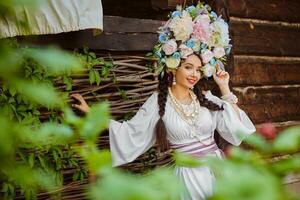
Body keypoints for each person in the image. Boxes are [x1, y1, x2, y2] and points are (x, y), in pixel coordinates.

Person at [71, 3, 256, 200]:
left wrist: (225, 87)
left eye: (198, 69)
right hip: (188, 179)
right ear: (173, 68)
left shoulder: (207, 99)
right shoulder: (158, 102)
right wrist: (92, 114)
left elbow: (236, 128)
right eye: (188, 67)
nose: (194, 74)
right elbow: (130, 131)